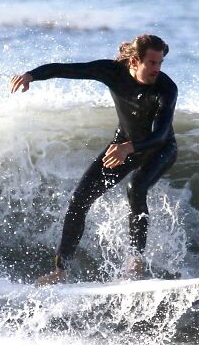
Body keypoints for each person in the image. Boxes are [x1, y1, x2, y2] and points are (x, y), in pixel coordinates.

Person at [10, 34, 177, 285]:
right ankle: (60, 271)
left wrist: (129, 148)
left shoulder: (166, 88)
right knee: (79, 199)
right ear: (134, 60)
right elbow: (69, 69)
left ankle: (136, 262)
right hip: (124, 145)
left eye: (160, 63)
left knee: (137, 188)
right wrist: (32, 75)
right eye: (151, 63)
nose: (157, 69)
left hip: (159, 148)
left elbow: (162, 133)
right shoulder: (113, 72)